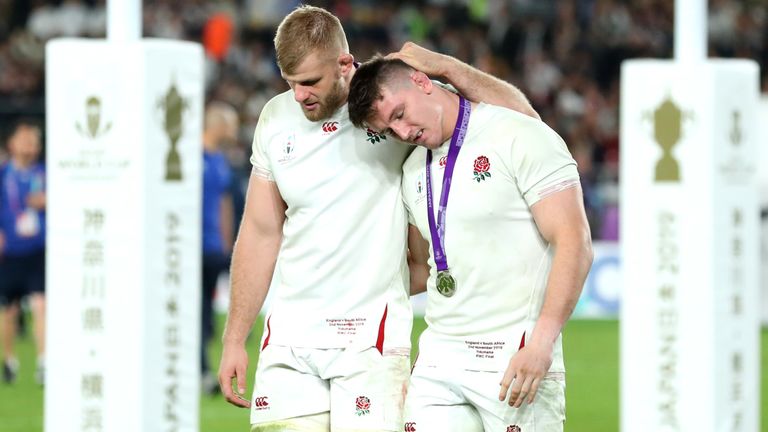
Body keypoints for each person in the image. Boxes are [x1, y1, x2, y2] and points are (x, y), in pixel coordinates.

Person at [217, 5, 538, 431]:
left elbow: (520, 120)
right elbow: (260, 233)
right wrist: (235, 338)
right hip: (291, 339)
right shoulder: (275, 119)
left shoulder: (392, 105)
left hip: (369, 342)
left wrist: (446, 67)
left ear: (345, 64)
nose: (299, 96)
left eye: (310, 82)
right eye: (290, 83)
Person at [347, 57, 593, 431]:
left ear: (421, 81)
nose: (402, 131)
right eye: (390, 128)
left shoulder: (517, 134)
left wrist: (541, 344)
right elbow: (422, 268)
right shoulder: (413, 169)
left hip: (515, 357)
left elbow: (574, 242)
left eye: (400, 113)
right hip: (439, 360)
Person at [0, 121, 47, 385]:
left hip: (37, 250)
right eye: (24, 140)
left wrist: (47, 201)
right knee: (9, 309)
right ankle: (9, 360)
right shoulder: (3, 175)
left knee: (41, 305)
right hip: (10, 250)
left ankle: (44, 362)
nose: (29, 145)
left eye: (33, 141)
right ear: (12, 143)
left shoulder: (45, 173)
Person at [201, 102, 237, 395]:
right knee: (196, 311)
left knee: (206, 311)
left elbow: (224, 203)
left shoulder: (218, 159)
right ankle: (200, 371)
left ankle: (203, 369)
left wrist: (226, 240)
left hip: (214, 246)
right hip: (192, 246)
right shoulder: (191, 156)